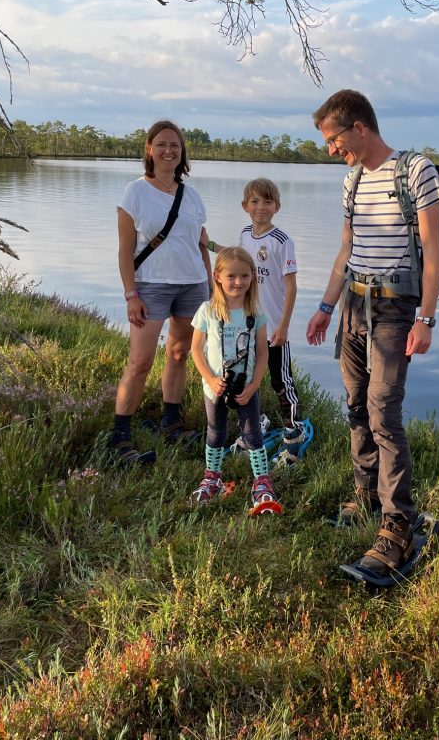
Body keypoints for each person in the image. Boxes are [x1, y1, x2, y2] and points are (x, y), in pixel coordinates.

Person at [304, 89, 439, 580]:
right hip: (352, 306)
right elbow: (346, 250)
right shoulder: (351, 182)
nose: (330, 147)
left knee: (385, 410)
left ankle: (398, 523)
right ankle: (365, 493)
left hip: (395, 307)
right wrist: (325, 306)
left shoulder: (415, 171)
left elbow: (433, 249)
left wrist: (425, 318)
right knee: (356, 402)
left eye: (332, 137)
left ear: (358, 127)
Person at [108, 120, 212, 464]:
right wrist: (130, 294)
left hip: (192, 284)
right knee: (140, 361)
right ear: (149, 149)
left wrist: (210, 288)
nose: (169, 151)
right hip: (150, 285)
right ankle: (120, 437)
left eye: (176, 146)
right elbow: (125, 252)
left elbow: (200, 245)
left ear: (182, 153)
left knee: (180, 353)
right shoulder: (135, 193)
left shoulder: (192, 195)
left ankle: (172, 421)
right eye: (162, 144)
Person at [212, 178, 307, 462]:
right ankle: (255, 424)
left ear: (276, 206)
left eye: (267, 202)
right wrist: (210, 244)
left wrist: (284, 326)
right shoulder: (244, 234)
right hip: (248, 327)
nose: (261, 207)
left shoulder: (282, 241)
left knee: (281, 382)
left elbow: (291, 287)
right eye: (254, 201)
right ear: (245, 206)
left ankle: (293, 431)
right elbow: (236, 260)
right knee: (246, 380)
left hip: (275, 327)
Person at [189, 247, 281, 514]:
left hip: (246, 387)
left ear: (253, 277)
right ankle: (212, 478)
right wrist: (210, 378)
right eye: (231, 276)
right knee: (215, 431)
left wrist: (253, 386)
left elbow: (263, 353)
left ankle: (262, 483)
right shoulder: (207, 310)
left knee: (252, 433)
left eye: (244, 276)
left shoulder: (256, 312)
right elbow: (196, 349)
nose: (238, 282)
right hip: (214, 386)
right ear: (217, 276)